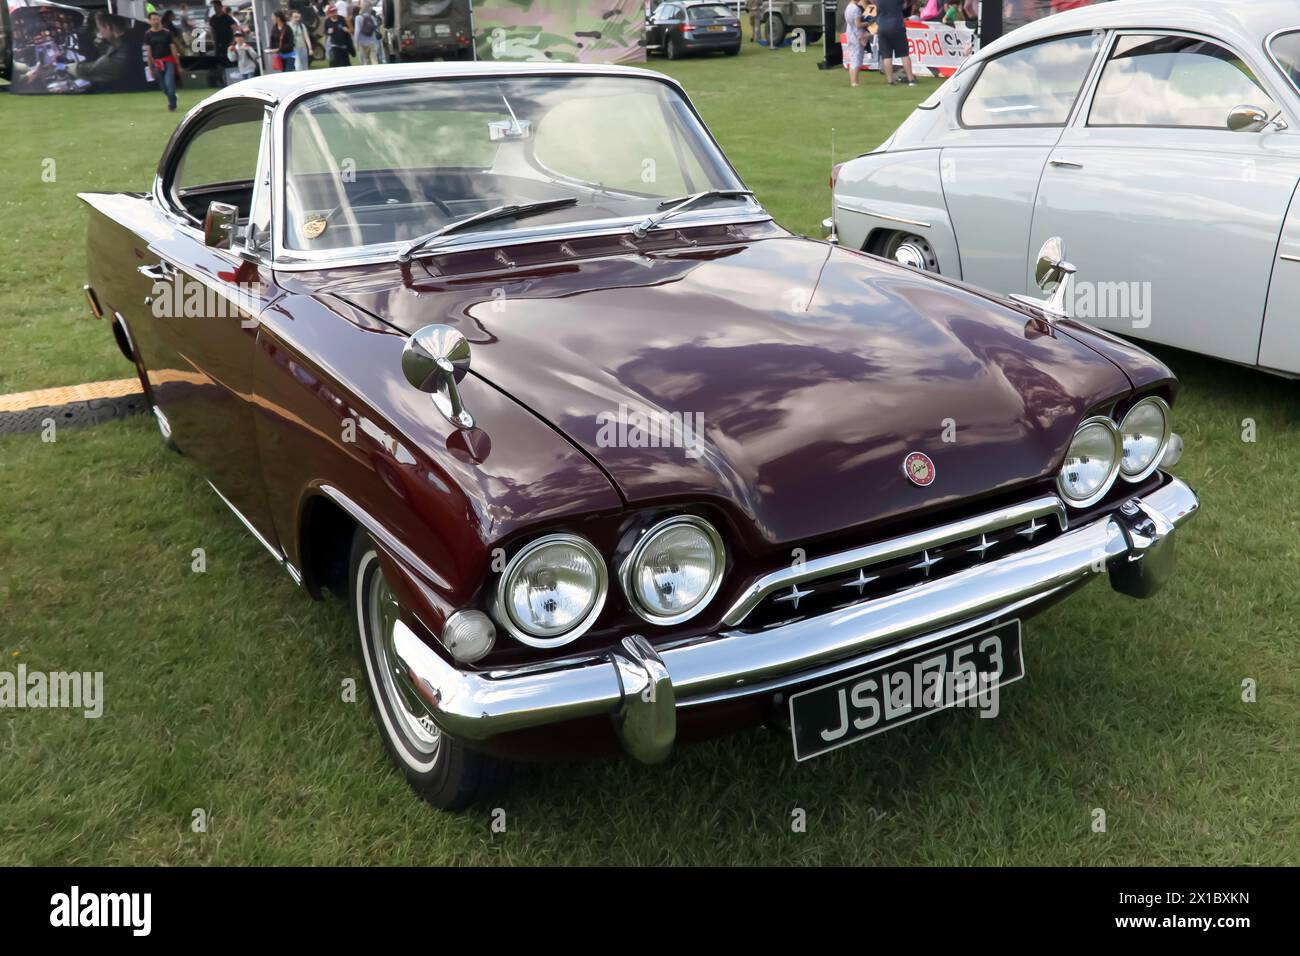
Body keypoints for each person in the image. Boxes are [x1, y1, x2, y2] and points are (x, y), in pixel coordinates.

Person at [143, 10, 181, 110]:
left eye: (157, 19)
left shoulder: (167, 33)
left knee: (170, 84)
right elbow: (149, 52)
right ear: (150, 21)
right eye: (153, 19)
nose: (155, 21)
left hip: (168, 61)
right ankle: (172, 97)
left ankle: (172, 105)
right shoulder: (148, 34)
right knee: (164, 88)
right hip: (157, 63)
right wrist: (150, 68)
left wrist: (178, 64)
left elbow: (173, 48)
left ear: (159, 19)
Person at [874, 0, 916, 86]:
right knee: (904, 54)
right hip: (897, 26)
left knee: (886, 56)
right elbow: (905, 4)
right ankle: (911, 79)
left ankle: (890, 81)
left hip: (881, 27)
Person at [844, 0, 867, 88]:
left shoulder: (848, 7)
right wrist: (868, 22)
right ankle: (854, 82)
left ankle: (854, 81)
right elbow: (858, 25)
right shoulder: (856, 9)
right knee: (856, 59)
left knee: (853, 57)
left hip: (850, 33)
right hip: (856, 35)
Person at [353, 1, 380, 65]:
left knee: (365, 60)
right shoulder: (372, 17)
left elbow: (357, 31)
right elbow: (376, 30)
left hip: (362, 43)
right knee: (374, 60)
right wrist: (377, 44)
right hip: (372, 42)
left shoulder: (358, 18)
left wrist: (356, 43)